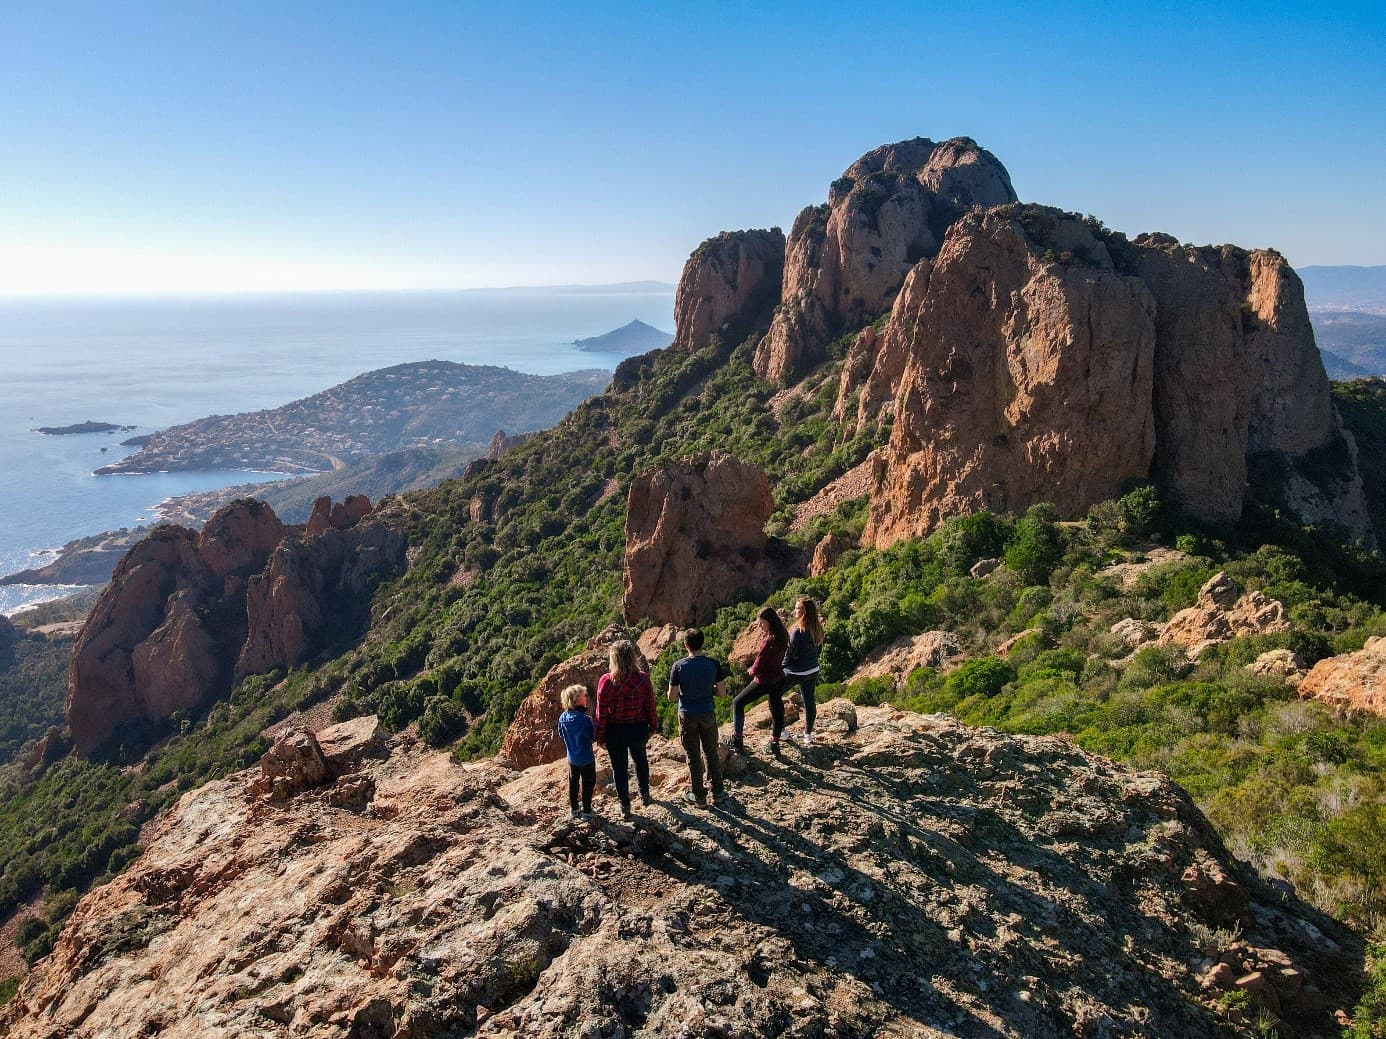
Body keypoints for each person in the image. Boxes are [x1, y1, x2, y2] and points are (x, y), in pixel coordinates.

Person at [594, 639, 658, 818]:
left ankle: (625, 805)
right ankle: (644, 795)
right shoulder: (643, 678)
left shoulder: (606, 681)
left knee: (619, 768)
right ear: (632, 657)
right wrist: (653, 726)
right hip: (638, 728)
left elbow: (601, 713)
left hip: (615, 731)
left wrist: (599, 736)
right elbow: (649, 706)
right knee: (640, 760)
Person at [667, 627, 727, 806]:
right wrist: (708, 689)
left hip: (687, 715)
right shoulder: (713, 664)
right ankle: (718, 792)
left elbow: (671, 697)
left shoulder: (678, 666)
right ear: (702, 643)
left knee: (692, 755)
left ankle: (699, 796)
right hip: (707, 712)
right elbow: (722, 693)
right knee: (711, 752)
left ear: (686, 645)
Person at [731, 606, 789, 753]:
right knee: (776, 709)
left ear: (769, 622)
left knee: (737, 702)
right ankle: (775, 743)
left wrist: (752, 670)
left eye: (762, 623)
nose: (760, 626)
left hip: (764, 680)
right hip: (778, 678)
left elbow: (759, 662)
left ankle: (737, 739)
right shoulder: (783, 635)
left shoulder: (768, 641)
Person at [782, 597, 825, 746]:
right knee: (809, 700)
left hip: (796, 672)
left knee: (774, 693)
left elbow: (789, 654)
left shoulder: (797, 631)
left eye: (797, 608)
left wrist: (781, 669)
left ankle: (781, 731)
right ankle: (808, 734)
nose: (794, 611)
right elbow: (818, 650)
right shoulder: (817, 628)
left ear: (804, 612)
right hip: (813, 670)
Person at [556, 683, 596, 818]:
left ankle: (574, 809)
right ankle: (587, 811)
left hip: (572, 758)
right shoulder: (585, 720)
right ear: (576, 699)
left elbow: (561, 734)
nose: (586, 697)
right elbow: (592, 736)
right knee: (587, 784)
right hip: (586, 758)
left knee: (573, 783)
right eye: (584, 695)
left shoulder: (562, 718)